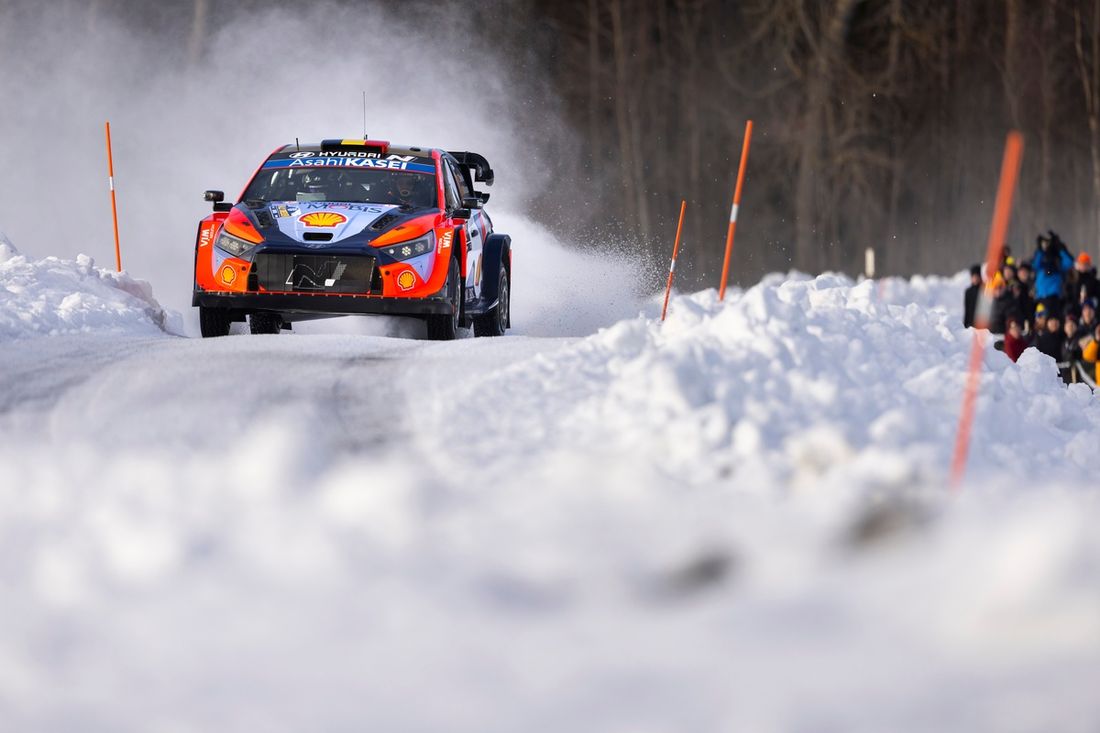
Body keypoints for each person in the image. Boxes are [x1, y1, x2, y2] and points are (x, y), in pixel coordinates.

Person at [1030, 231, 1075, 317]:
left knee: (1052, 319)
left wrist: (1060, 248)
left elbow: (1069, 262)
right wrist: (1040, 249)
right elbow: (1034, 265)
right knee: (1040, 319)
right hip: (1040, 297)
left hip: (1054, 298)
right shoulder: (1041, 264)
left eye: (1048, 243)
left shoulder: (1058, 264)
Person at [963, 264, 982, 328]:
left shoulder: (984, 290)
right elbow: (967, 310)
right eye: (973, 277)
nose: (975, 279)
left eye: (977, 276)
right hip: (971, 324)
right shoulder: (968, 292)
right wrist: (965, 325)